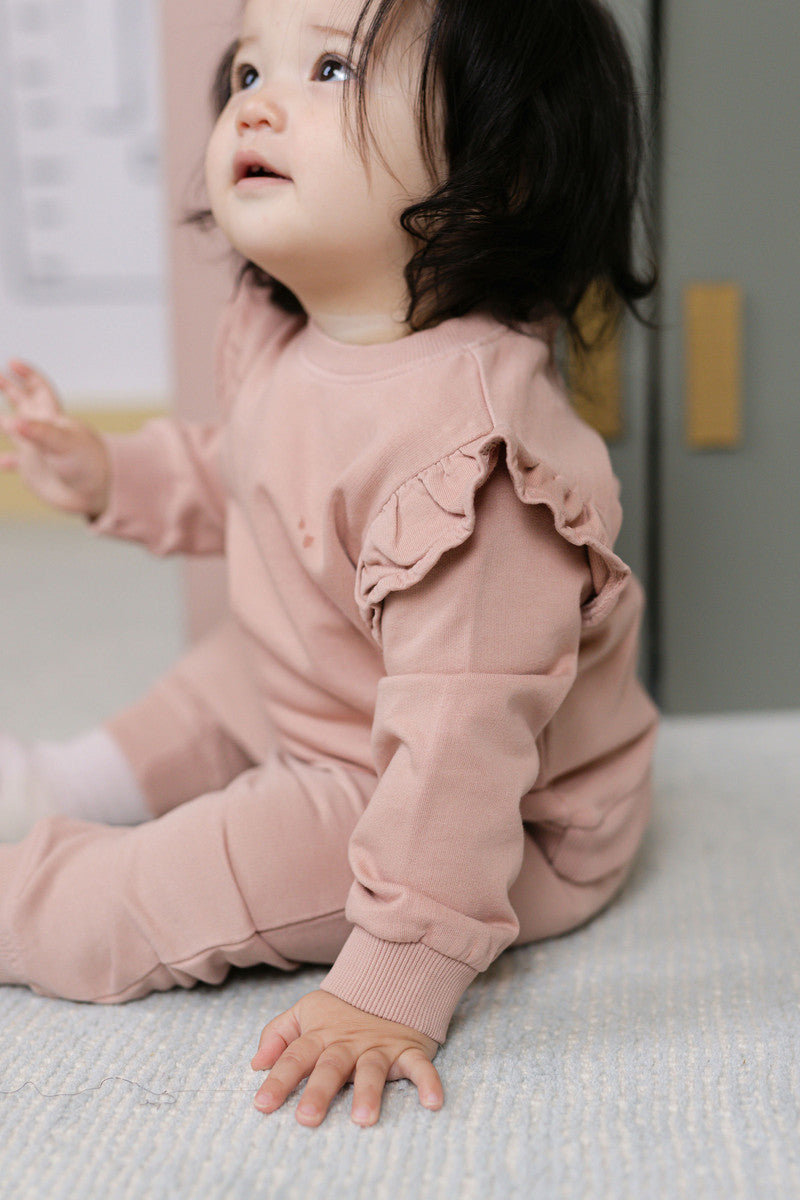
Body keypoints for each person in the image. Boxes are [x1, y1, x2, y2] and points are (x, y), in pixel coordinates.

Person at [0, 0, 659, 1127]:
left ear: (500, 171)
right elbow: (250, 480)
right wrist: (112, 475)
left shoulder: (476, 462)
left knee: (182, 880)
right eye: (248, 70)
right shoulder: (297, 339)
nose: (256, 104)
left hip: (472, 816)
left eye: (330, 70)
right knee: (225, 668)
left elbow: (460, 751)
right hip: (335, 692)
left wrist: (392, 984)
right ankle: (73, 778)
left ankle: (41, 901)